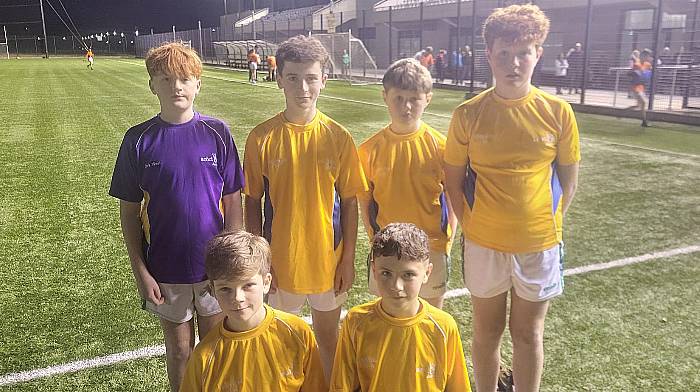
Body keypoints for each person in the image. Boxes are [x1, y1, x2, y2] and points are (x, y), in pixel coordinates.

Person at [444, 5, 580, 392]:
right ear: (489, 55)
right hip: (484, 242)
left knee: (528, 335)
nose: (513, 62)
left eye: (523, 52)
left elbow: (569, 178)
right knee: (487, 335)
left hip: (538, 244)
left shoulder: (557, 112)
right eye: (503, 53)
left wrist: (551, 221)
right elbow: (452, 178)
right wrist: (469, 223)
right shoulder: (469, 114)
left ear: (538, 53)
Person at [109, 42, 244, 392]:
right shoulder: (138, 140)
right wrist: (141, 272)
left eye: (184, 78)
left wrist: (229, 266)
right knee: (181, 351)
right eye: (165, 79)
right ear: (152, 84)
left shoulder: (217, 133)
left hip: (213, 270)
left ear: (198, 83)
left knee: (216, 349)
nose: (176, 87)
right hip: (166, 269)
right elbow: (128, 213)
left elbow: (232, 202)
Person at [243, 35, 367, 381]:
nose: (303, 87)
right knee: (284, 343)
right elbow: (252, 201)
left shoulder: (338, 137)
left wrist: (347, 259)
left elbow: (352, 200)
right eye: (294, 77)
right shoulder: (262, 138)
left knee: (330, 341)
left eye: (312, 78)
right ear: (279, 78)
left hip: (328, 262)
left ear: (323, 81)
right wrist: (260, 261)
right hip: (281, 263)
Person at [358, 58, 457, 309]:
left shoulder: (442, 148)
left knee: (432, 318)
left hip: (431, 247)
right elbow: (366, 202)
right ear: (385, 96)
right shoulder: (369, 150)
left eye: (414, 98)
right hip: (388, 251)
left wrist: (447, 241)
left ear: (428, 99)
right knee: (390, 319)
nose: (407, 106)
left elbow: (453, 199)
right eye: (398, 98)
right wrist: (376, 242)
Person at [330, 223, 472, 392]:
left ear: (427, 273)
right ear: (374, 270)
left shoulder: (443, 327)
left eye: (408, 275)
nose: (396, 286)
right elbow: (341, 387)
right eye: (386, 273)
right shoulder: (356, 322)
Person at [179, 231, 327, 391]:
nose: (237, 297)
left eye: (247, 285)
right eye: (225, 289)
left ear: (266, 282)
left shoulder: (297, 333)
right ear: (213, 290)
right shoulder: (204, 357)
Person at [627, 49, 652, 127]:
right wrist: (634, 72)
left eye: (648, 56)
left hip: (641, 86)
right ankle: (644, 121)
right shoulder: (637, 63)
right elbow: (631, 72)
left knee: (641, 104)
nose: (648, 57)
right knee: (643, 102)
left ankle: (643, 119)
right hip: (635, 86)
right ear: (643, 55)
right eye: (647, 56)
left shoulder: (647, 64)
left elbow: (649, 72)